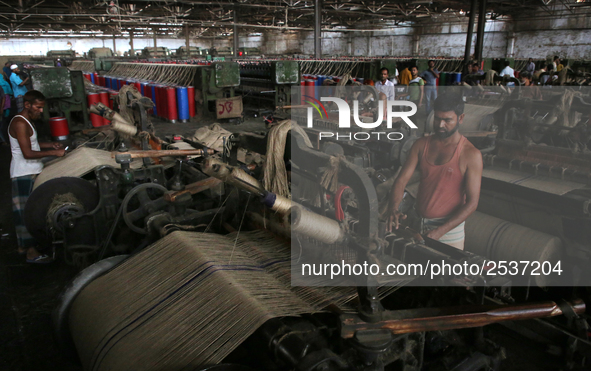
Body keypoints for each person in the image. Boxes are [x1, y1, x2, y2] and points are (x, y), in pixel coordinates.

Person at [387, 93, 483, 250]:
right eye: (437, 118)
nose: (440, 125)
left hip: (449, 233)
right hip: (418, 225)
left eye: (447, 120)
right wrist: (393, 208)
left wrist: (440, 231)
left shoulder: (470, 154)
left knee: (444, 274)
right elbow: (401, 180)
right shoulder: (421, 145)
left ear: (461, 118)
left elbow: (472, 203)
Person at [8, 90, 66, 263]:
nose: (41, 111)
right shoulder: (19, 122)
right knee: (27, 213)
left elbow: (29, 142)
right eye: (38, 107)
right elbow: (27, 152)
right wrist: (54, 153)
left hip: (30, 171)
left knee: (28, 210)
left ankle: (22, 247)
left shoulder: (25, 121)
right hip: (23, 173)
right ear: (27, 105)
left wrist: (49, 144)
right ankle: (31, 252)